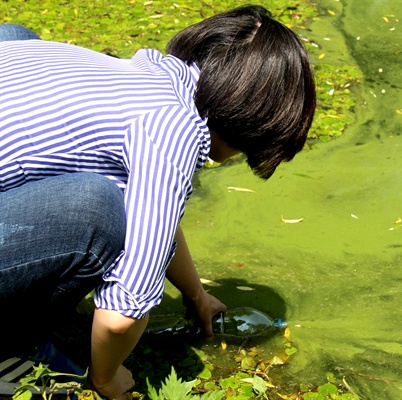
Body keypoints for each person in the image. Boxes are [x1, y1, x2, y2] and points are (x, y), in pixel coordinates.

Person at [0, 5, 316, 399]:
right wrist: (106, 379)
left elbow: (154, 220)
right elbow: (120, 316)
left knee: (13, 37)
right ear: (255, 121)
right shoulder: (174, 132)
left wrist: (196, 295)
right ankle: (13, 347)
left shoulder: (153, 77)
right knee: (96, 211)